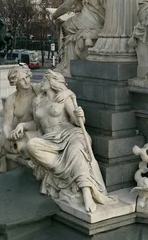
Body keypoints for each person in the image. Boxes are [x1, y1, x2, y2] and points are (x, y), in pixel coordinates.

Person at [16, 70, 108, 213]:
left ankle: (86, 192)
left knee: (76, 150)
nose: (42, 82)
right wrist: (22, 125)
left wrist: (80, 116)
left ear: (53, 82)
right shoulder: (37, 101)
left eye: (45, 79)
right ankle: (67, 177)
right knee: (31, 145)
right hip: (49, 139)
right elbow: (36, 124)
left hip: (70, 134)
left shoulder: (65, 98)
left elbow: (77, 121)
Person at [51, 0, 107, 75]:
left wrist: (54, 15)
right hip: (104, 16)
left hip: (90, 16)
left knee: (66, 27)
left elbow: (67, 5)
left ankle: (68, 64)